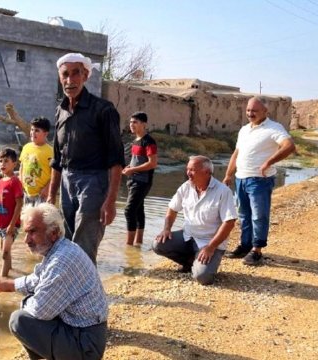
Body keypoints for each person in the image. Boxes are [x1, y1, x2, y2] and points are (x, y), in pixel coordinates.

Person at [0, 203, 108, 360]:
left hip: (86, 345)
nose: (26, 240)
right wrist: (3, 285)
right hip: (85, 334)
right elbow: (37, 279)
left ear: (53, 233)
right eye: (26, 233)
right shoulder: (61, 250)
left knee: (19, 320)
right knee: (32, 312)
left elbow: (40, 311)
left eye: (32, 232)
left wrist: (26, 301)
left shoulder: (61, 262)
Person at [47, 52, 125, 264]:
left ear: (85, 76)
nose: (70, 80)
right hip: (66, 181)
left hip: (95, 182)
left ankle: (86, 293)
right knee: (67, 241)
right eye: (65, 75)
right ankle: (73, 289)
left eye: (76, 74)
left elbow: (116, 160)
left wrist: (110, 201)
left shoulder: (103, 110)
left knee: (85, 244)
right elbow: (57, 158)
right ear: (60, 77)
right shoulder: (60, 111)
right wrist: (50, 196)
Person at [223, 96, 295, 266]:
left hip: (260, 180)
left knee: (259, 216)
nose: (250, 113)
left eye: (254, 110)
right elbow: (236, 153)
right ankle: (245, 245)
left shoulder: (274, 128)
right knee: (243, 215)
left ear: (265, 111)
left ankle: (257, 251)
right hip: (241, 178)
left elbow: (289, 146)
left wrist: (269, 162)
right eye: (248, 110)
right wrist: (228, 175)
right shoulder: (244, 130)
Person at [154, 156, 237, 285]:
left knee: (202, 277)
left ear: (207, 172)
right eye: (188, 169)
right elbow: (172, 209)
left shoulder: (223, 192)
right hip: (188, 236)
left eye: (192, 170)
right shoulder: (186, 187)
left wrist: (211, 247)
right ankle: (190, 261)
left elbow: (229, 223)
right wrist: (166, 229)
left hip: (210, 243)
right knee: (158, 244)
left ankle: (203, 264)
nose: (188, 173)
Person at [122, 112, 158, 247]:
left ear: (144, 124)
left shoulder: (149, 141)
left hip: (142, 181)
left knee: (129, 210)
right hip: (133, 179)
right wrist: (129, 167)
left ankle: (129, 245)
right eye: (131, 122)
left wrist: (133, 170)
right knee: (138, 210)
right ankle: (138, 242)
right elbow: (137, 160)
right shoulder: (135, 140)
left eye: (135, 122)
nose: (131, 125)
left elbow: (152, 163)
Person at [0, 148, 24, 277]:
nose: (2, 164)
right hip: (0, 224)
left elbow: (20, 203)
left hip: (10, 225)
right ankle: (10, 269)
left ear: (14, 164)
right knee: (5, 251)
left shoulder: (15, 182)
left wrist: (12, 225)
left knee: (5, 253)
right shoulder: (0, 181)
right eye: (0, 161)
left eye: (6, 161)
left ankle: (3, 279)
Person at [19, 117, 53, 206]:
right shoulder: (26, 147)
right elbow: (22, 166)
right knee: (27, 218)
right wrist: (21, 183)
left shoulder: (50, 152)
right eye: (32, 129)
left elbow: (55, 173)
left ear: (45, 133)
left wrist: (47, 188)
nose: (33, 133)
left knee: (40, 219)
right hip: (27, 193)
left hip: (42, 195)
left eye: (37, 130)